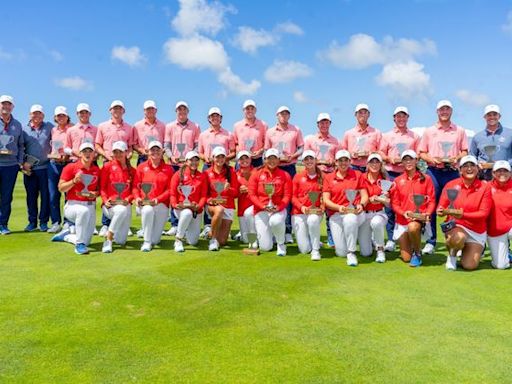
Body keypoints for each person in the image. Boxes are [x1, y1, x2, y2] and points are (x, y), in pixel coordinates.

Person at [418, 100, 468, 256]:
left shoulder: (459, 130)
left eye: (447, 109)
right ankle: (431, 241)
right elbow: (421, 152)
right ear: (437, 112)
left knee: (453, 206)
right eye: (441, 109)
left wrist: (456, 158)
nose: (444, 112)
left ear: (451, 111)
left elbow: (465, 151)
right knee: (431, 207)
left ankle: (454, 240)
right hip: (434, 171)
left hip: (452, 172)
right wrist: (432, 160)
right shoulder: (429, 131)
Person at [437, 155, 492, 271]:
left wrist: (462, 214)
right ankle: (452, 256)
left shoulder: (485, 187)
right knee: (458, 238)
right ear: (460, 169)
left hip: (476, 230)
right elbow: (441, 206)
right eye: (465, 166)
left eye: (472, 165)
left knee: (469, 266)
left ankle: (467, 249)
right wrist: (441, 211)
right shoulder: (451, 185)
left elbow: (483, 214)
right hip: (457, 226)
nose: (469, 168)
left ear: (478, 168)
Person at [378, 106, 420, 252]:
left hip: (408, 176)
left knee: (408, 205)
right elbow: (381, 153)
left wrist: (406, 160)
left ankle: (409, 236)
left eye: (404, 116)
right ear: (394, 118)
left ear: (407, 118)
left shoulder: (414, 136)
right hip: (391, 174)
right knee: (389, 207)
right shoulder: (387, 135)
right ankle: (391, 239)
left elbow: (418, 154)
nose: (401, 119)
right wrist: (391, 159)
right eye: (398, 116)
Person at [51, 142, 100, 255]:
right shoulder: (71, 167)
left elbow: (99, 190)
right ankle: (79, 245)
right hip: (72, 205)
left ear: (94, 154)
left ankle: (66, 236)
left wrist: (95, 194)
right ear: (80, 153)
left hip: (90, 205)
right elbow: (61, 188)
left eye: (90, 151)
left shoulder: (96, 170)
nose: (87, 154)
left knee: (86, 241)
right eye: (84, 151)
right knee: (82, 212)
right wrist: (73, 181)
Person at [264, 105, 304, 243]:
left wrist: (293, 155)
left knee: (289, 198)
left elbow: (301, 148)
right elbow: (266, 151)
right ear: (277, 115)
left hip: (290, 166)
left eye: (286, 114)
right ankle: (274, 230)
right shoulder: (270, 132)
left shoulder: (296, 130)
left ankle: (287, 231)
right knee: (273, 196)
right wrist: (275, 159)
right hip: (274, 169)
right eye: (281, 114)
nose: (284, 116)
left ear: (289, 116)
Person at [390, 150, 436, 267]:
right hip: (402, 220)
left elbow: (431, 200)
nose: (408, 162)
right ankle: (412, 244)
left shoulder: (426, 178)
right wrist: (403, 213)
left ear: (416, 161)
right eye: (405, 159)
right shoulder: (397, 180)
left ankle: (417, 253)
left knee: (413, 227)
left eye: (411, 159)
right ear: (402, 162)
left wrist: (427, 214)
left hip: (418, 220)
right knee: (406, 258)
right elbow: (394, 204)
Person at [323, 150, 368, 266]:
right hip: (336, 214)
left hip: (356, 213)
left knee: (350, 219)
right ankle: (347, 247)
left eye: (346, 160)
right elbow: (326, 200)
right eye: (340, 160)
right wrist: (339, 207)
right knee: (340, 253)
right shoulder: (328, 177)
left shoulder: (357, 174)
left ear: (349, 161)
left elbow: (364, 195)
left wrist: (361, 205)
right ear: (336, 162)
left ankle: (351, 252)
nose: (343, 163)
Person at [95, 100, 134, 237]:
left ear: (123, 111)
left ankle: (123, 224)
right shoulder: (102, 126)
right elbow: (97, 145)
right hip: (108, 161)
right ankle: (106, 225)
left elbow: (130, 146)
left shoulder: (129, 127)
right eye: (114, 108)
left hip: (123, 163)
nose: (117, 110)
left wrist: (128, 154)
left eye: (119, 108)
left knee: (124, 190)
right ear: (110, 110)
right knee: (108, 190)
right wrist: (105, 154)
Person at [163, 100, 201, 236]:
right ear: (176, 111)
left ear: (187, 111)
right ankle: (174, 224)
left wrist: (190, 157)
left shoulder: (195, 126)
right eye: (179, 110)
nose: (182, 112)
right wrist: (171, 156)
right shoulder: (169, 126)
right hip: (174, 164)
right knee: (174, 192)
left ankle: (188, 219)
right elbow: (166, 145)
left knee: (189, 192)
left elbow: (197, 146)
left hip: (190, 164)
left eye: (184, 110)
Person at [197, 107, 235, 239]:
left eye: (217, 116)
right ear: (209, 119)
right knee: (206, 194)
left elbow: (233, 152)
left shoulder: (228, 134)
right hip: (208, 167)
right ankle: (208, 225)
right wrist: (205, 158)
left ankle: (218, 226)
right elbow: (200, 152)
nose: (215, 118)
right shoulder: (203, 135)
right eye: (212, 116)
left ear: (221, 118)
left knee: (223, 195)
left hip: (223, 168)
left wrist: (223, 160)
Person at [304, 112, 340, 247]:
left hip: (330, 176)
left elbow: (339, 160)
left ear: (330, 124)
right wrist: (317, 161)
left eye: (326, 122)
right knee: (314, 204)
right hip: (315, 175)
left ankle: (331, 237)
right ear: (317, 124)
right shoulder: (310, 140)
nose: (324, 125)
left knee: (329, 207)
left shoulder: (335, 141)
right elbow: (306, 158)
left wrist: (333, 162)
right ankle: (314, 236)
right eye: (321, 123)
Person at [248, 148, 292, 256]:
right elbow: (252, 194)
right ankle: (259, 239)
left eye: (274, 158)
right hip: (261, 210)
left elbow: (287, 196)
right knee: (265, 247)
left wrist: (279, 207)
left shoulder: (285, 175)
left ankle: (281, 244)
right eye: (269, 158)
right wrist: (262, 206)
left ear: (278, 160)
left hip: (278, 209)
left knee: (275, 221)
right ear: (265, 160)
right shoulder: (256, 174)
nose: (272, 161)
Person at [133, 141, 173, 252]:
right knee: (147, 210)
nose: (155, 152)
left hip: (161, 204)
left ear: (162, 152)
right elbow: (135, 187)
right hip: (145, 204)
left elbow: (170, 190)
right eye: (152, 150)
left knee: (155, 240)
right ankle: (146, 241)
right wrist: (137, 197)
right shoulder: (141, 167)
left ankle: (150, 238)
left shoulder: (168, 169)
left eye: (158, 150)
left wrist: (158, 199)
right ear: (148, 152)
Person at [99, 141, 135, 253]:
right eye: (115, 152)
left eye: (120, 152)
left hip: (125, 204)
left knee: (121, 241)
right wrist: (105, 200)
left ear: (125, 152)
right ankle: (108, 238)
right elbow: (102, 187)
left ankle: (114, 232)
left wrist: (128, 199)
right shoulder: (107, 166)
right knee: (121, 210)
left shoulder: (132, 170)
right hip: (110, 205)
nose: (118, 154)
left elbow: (135, 190)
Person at [22, 104, 53, 232]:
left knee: (46, 196)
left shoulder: (50, 127)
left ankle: (44, 222)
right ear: (30, 115)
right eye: (34, 113)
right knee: (31, 196)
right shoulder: (24, 129)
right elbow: (19, 148)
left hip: (46, 168)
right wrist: (23, 163)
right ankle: (32, 222)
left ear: (43, 115)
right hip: (30, 170)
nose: (36, 116)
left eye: (39, 113)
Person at [170, 151, 208, 252]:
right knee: (187, 213)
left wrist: (199, 206)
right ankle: (178, 239)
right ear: (186, 161)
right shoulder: (178, 175)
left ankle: (185, 229)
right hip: (181, 209)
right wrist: (174, 204)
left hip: (196, 210)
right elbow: (173, 193)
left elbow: (204, 195)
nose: (194, 162)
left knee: (193, 242)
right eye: (191, 160)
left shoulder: (202, 176)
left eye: (196, 160)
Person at [291, 150, 324, 260]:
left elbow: (325, 196)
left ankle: (315, 250)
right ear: (303, 162)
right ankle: (312, 238)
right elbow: (293, 197)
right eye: (306, 159)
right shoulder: (297, 176)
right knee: (304, 250)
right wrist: (302, 207)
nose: (309, 161)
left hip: (316, 213)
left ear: (315, 160)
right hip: (299, 213)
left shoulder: (323, 177)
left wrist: (322, 208)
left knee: (313, 220)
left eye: (311, 158)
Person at [204, 146, 239, 250]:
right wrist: (210, 200)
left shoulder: (231, 171)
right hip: (213, 206)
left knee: (223, 241)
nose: (220, 160)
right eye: (217, 157)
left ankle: (211, 232)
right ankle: (213, 240)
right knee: (219, 210)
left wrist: (228, 189)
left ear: (225, 158)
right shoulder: (207, 173)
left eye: (222, 157)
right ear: (213, 158)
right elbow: (204, 194)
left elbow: (236, 193)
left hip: (228, 205)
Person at [358, 153, 389, 263]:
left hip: (379, 213)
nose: (374, 164)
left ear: (381, 165)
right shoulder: (361, 177)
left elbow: (388, 202)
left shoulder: (385, 180)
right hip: (364, 215)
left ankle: (380, 249)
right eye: (372, 162)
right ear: (367, 164)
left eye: (377, 162)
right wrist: (366, 200)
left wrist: (379, 199)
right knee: (365, 253)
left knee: (376, 223)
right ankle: (371, 240)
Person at [0, 95, 24, 235]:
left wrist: (19, 161)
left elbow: (21, 145)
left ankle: (3, 224)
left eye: (9, 104)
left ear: (12, 107)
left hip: (11, 166)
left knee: (7, 196)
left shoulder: (17, 124)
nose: (6, 107)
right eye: (3, 104)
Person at [470, 104, 512, 181]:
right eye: (489, 115)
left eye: (494, 114)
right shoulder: (477, 137)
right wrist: (478, 165)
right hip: (484, 179)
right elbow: (473, 157)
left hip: (506, 178)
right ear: (484, 117)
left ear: (499, 116)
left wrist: (505, 165)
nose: (492, 117)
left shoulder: (510, 134)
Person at [47, 106, 72, 233]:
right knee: (53, 195)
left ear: (67, 117)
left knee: (68, 195)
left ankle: (68, 222)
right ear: (55, 118)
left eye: (63, 115)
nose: (61, 117)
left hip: (67, 164)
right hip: (53, 164)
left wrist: (66, 156)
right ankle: (56, 222)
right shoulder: (53, 130)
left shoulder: (72, 129)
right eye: (58, 116)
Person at [340, 103, 382, 172]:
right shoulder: (348, 133)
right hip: (352, 167)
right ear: (355, 115)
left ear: (369, 115)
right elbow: (343, 152)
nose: (362, 115)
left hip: (371, 167)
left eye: (365, 112)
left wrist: (370, 153)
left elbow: (381, 152)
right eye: (360, 113)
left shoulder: (377, 133)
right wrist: (351, 154)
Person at [487, 160, 512, 269]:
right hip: (495, 231)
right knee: (500, 265)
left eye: (505, 171)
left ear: (510, 173)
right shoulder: (486, 187)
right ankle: (508, 255)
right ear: (493, 173)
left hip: (511, 227)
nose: (502, 173)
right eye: (499, 171)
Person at [233, 99, 267, 167]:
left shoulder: (263, 125)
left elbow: (266, 143)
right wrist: (242, 152)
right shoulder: (237, 126)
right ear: (243, 110)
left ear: (255, 110)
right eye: (247, 109)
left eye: (252, 108)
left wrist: (259, 151)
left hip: (257, 160)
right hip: (242, 159)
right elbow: (235, 143)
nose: (250, 111)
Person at [133, 100, 165, 165]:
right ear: (144, 111)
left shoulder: (163, 125)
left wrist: (161, 151)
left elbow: (165, 143)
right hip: (143, 157)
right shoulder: (137, 126)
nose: (150, 111)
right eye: (148, 109)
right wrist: (141, 150)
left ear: (156, 110)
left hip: (159, 157)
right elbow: (134, 144)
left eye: (152, 109)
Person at [234, 150, 255, 244]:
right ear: (238, 161)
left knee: (256, 238)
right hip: (242, 209)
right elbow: (233, 194)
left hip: (256, 209)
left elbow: (263, 190)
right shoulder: (235, 174)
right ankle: (243, 236)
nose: (244, 160)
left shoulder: (257, 172)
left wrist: (249, 189)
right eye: (241, 159)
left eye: (246, 158)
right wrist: (238, 191)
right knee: (246, 240)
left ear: (250, 159)